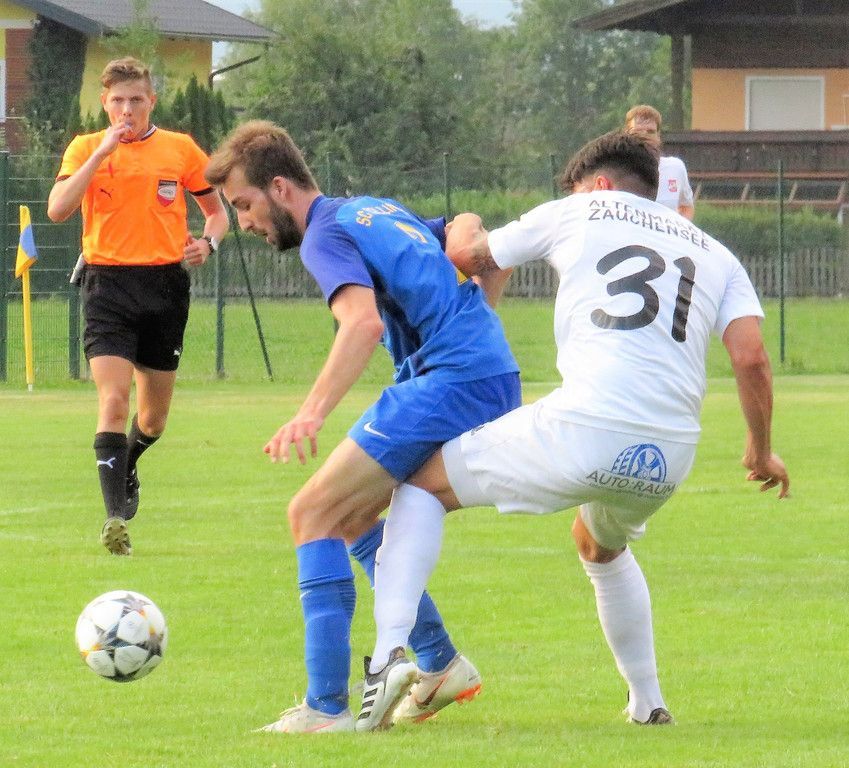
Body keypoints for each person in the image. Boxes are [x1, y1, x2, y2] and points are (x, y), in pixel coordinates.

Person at [357, 130, 789, 730]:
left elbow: (469, 257)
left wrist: (465, 223)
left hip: (586, 424)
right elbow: (751, 358)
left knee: (421, 486)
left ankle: (387, 659)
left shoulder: (579, 209)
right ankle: (647, 703)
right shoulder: (716, 252)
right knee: (598, 544)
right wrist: (761, 451)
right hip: (669, 452)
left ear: (601, 184)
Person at [204, 120, 521, 733]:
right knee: (350, 517)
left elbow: (362, 323)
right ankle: (439, 664)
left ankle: (326, 708)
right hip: (484, 376)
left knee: (310, 513)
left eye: (243, 204)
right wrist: (475, 280)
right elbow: (467, 230)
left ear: (280, 188)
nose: (243, 222)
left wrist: (310, 413)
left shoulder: (325, 234)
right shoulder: (374, 209)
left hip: (452, 380)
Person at [47, 57, 229, 556]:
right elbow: (58, 209)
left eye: (136, 100)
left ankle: (129, 461)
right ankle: (113, 519)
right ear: (105, 103)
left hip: (165, 287)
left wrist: (207, 244)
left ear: (151, 101)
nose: (127, 109)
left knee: (153, 419)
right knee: (113, 400)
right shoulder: (86, 147)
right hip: (107, 285)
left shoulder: (180, 149)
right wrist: (102, 152)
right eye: (117, 101)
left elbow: (217, 214)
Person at [625, 104, 695, 220]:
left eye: (650, 131)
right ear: (627, 134)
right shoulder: (617, 169)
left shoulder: (676, 167)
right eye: (638, 131)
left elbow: (686, 206)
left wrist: (678, 228)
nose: (644, 136)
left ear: (658, 136)